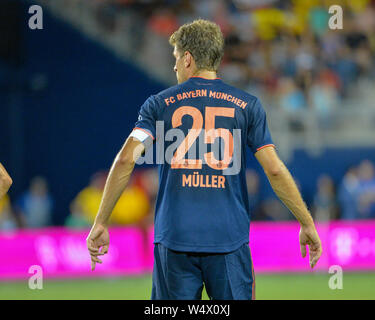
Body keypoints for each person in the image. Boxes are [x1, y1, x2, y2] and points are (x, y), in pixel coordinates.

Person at [86, 19, 322, 300]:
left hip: (174, 241)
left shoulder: (159, 104)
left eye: (176, 58)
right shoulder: (247, 105)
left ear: (187, 58)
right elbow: (274, 170)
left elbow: (126, 160)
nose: (174, 66)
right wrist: (306, 223)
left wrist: (101, 222)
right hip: (229, 240)